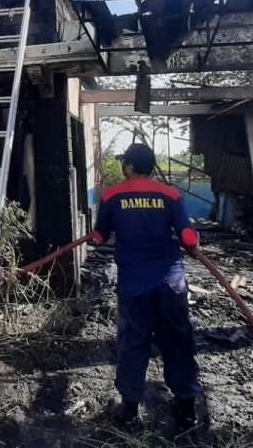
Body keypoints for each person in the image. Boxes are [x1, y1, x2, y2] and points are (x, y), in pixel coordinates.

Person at [90, 143, 204, 433]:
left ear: (129, 167)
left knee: (134, 341)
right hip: (171, 282)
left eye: (124, 164)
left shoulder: (112, 194)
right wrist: (193, 247)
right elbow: (188, 236)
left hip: (134, 285)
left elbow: (100, 234)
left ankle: (129, 411)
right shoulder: (170, 194)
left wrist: (95, 236)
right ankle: (187, 410)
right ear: (151, 167)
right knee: (178, 342)